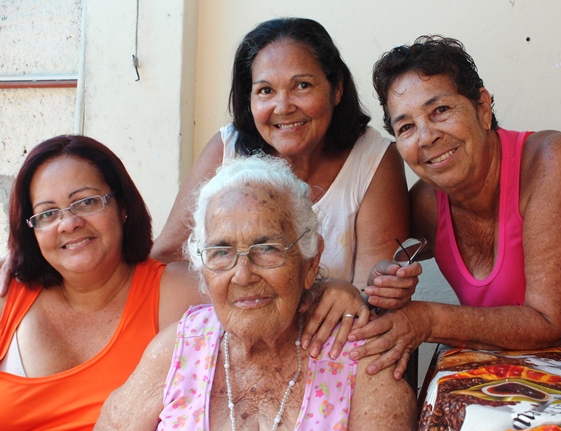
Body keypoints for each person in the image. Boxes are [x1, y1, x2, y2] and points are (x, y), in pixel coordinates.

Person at [348, 35, 561, 380]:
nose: (426, 137)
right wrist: (384, 275)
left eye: (440, 110)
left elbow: (549, 321)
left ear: (483, 108)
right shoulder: (427, 203)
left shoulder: (557, 164)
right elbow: (378, 254)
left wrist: (425, 320)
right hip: (516, 371)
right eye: (407, 127)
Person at [95, 155, 417, 431]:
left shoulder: (362, 363)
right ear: (205, 274)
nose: (243, 275)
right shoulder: (177, 351)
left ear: (309, 263)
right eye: (221, 252)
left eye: (267, 248)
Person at [151, 17, 412, 309]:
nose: (284, 107)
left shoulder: (373, 158)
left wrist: (342, 297)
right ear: (248, 98)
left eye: (302, 85)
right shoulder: (227, 149)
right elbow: (165, 261)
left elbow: (373, 294)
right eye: (265, 91)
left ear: (336, 88)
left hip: (332, 343)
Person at [0, 135, 207, 431]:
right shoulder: (7, 296)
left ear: (122, 207)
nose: (69, 223)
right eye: (47, 213)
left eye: (86, 202)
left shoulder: (176, 294)